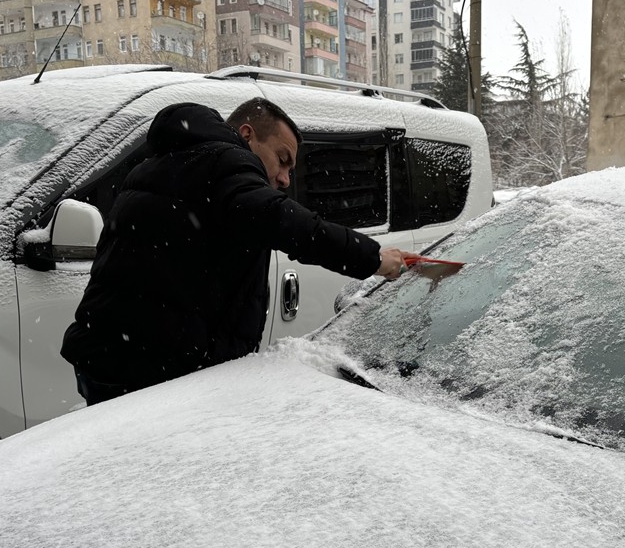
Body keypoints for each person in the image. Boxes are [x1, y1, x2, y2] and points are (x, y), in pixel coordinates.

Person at [61, 97, 415, 405]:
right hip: (149, 373)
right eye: (282, 159)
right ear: (247, 135)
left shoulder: (158, 166)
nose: (285, 178)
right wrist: (373, 258)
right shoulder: (226, 162)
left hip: (106, 359)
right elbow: (283, 221)